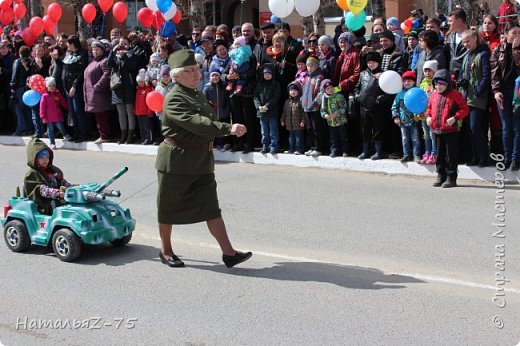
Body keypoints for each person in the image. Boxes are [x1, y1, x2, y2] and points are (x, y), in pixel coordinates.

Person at [156, 50, 252, 268]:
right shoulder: (174, 98)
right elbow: (196, 123)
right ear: (177, 76)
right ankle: (166, 250)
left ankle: (229, 253)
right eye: (190, 71)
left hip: (200, 160)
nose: (196, 74)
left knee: (211, 207)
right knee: (168, 207)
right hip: (177, 162)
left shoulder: (195, 93)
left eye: (197, 69)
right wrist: (228, 129)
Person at [425, 69, 469, 188]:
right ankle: (441, 175)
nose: (438, 87)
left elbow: (464, 109)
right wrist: (428, 116)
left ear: (447, 84)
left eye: (441, 84)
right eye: (436, 84)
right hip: (436, 130)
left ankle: (451, 177)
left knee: (451, 155)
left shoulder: (455, 95)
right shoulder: (434, 94)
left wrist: (455, 118)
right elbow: (428, 108)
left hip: (450, 131)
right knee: (439, 154)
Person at [458, 29, 491, 167]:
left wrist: (478, 90)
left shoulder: (483, 54)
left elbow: (486, 75)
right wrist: (461, 81)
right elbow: (462, 73)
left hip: (478, 97)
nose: (465, 44)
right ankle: (475, 156)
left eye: (468, 41)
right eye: (464, 42)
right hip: (467, 97)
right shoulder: (467, 56)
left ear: (475, 39)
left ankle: (483, 156)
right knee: (469, 130)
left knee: (475, 128)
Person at [490, 21, 520, 170]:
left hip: (517, 93)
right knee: (506, 127)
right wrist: (496, 91)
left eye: (519, 33)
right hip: (503, 92)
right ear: (506, 34)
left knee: (517, 127)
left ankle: (515, 158)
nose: (517, 36)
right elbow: (494, 74)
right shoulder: (498, 50)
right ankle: (507, 158)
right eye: (514, 33)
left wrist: (516, 50)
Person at [354, 51, 389, 160]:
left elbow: (388, 91)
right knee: (365, 129)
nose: (371, 64)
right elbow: (357, 87)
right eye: (369, 62)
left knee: (378, 128)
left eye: (373, 62)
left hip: (376, 107)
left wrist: (380, 99)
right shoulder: (363, 74)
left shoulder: (383, 74)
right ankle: (365, 151)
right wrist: (357, 96)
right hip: (364, 106)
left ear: (378, 62)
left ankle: (378, 151)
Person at [24, 139, 73, 215]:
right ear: (34, 158)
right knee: (58, 206)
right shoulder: (32, 174)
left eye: (47, 157)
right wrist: (57, 193)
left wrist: (71, 187)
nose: (45, 160)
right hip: (44, 203)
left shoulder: (52, 170)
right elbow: (42, 190)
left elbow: (61, 181)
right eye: (41, 157)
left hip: (58, 197)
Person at [108, 36, 140, 144]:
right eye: (121, 44)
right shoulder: (116, 56)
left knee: (129, 111)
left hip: (128, 87)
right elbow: (109, 64)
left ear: (129, 44)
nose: (123, 46)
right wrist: (113, 51)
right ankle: (123, 135)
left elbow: (132, 67)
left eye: (125, 43)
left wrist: (124, 56)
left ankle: (131, 135)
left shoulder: (133, 55)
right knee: (121, 112)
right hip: (117, 88)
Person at [83, 40, 112, 145]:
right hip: (91, 94)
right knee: (98, 116)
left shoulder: (103, 61)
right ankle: (101, 133)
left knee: (101, 115)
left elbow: (106, 74)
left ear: (102, 50)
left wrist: (98, 86)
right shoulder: (93, 62)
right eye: (93, 49)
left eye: (97, 49)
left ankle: (104, 135)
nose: (95, 51)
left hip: (99, 93)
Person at [62, 35, 89, 142]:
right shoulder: (69, 54)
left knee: (78, 111)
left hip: (75, 87)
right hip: (67, 87)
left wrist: (74, 86)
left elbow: (80, 73)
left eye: (68, 43)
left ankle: (83, 133)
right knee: (72, 112)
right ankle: (76, 132)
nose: (66, 45)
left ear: (72, 43)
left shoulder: (82, 54)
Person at [391, 71, 421, 162]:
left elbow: (421, 105)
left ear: (414, 82)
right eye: (405, 81)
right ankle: (406, 154)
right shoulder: (399, 94)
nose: (407, 83)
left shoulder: (417, 92)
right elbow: (394, 106)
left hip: (414, 120)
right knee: (404, 138)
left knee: (415, 138)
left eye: (409, 81)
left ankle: (416, 155)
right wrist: (396, 117)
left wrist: (418, 115)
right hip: (403, 121)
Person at [301, 56, 326, 156]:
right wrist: (302, 101)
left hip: (315, 108)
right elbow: (303, 92)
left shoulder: (320, 77)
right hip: (306, 107)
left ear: (316, 66)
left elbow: (321, 93)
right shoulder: (307, 78)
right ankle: (311, 146)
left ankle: (318, 147)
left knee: (317, 129)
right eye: (307, 66)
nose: (309, 68)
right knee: (309, 128)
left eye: (311, 65)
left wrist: (314, 103)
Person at [254, 64, 281, 154]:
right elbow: (255, 97)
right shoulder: (259, 84)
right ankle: (265, 146)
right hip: (261, 112)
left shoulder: (276, 84)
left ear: (272, 74)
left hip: (272, 111)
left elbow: (275, 97)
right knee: (264, 131)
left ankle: (274, 146)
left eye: (269, 73)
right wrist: (259, 107)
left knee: (273, 130)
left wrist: (267, 106)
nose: (267, 75)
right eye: (265, 74)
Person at [318, 79, 348, 157]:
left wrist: (336, 114)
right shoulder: (324, 98)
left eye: (331, 87)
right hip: (331, 122)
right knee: (333, 138)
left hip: (341, 120)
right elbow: (322, 109)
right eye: (327, 89)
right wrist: (325, 115)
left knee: (343, 137)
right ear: (324, 90)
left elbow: (344, 107)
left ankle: (345, 151)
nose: (330, 90)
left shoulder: (339, 96)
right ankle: (334, 151)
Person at [39, 77, 70, 150]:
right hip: (48, 117)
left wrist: (68, 108)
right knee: (50, 130)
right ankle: (52, 143)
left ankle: (65, 135)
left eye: (53, 86)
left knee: (60, 126)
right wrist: (43, 117)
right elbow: (42, 107)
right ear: (47, 87)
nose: (52, 87)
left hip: (57, 115)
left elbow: (63, 102)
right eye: (50, 86)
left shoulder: (57, 94)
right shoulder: (44, 96)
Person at [203, 71, 231, 151]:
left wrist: (226, 110)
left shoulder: (224, 86)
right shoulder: (207, 87)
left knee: (222, 127)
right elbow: (204, 101)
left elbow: (228, 100)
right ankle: (215, 144)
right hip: (213, 113)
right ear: (210, 77)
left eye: (216, 76)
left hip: (223, 112)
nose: (215, 78)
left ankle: (223, 143)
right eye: (213, 76)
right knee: (214, 128)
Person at [418, 60, 438, 164]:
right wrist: (418, 112)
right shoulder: (422, 84)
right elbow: (418, 100)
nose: (427, 73)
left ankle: (434, 154)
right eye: (425, 71)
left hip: (432, 115)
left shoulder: (436, 84)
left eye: (429, 71)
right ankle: (427, 152)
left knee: (432, 135)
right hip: (423, 115)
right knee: (426, 135)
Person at [281, 81, 305, 154]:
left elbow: (303, 113)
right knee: (291, 138)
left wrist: (303, 121)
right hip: (290, 124)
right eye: (291, 90)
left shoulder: (300, 101)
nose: (293, 92)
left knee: (299, 138)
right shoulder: (287, 102)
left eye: (295, 90)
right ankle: (291, 148)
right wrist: (282, 120)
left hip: (298, 124)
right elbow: (284, 112)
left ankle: (299, 149)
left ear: (298, 91)